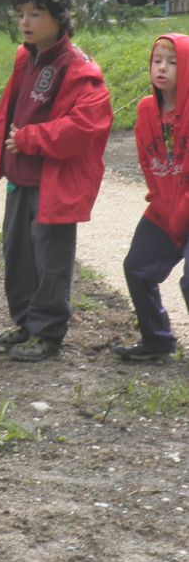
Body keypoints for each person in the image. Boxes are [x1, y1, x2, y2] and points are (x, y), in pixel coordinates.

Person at [0, 0, 113, 362]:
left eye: (36, 13)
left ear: (60, 18)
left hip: (52, 184)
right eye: (21, 13)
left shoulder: (79, 68)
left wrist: (30, 139)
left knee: (50, 261)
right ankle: (26, 323)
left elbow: (86, 125)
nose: (25, 21)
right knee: (17, 254)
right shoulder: (26, 56)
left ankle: (48, 332)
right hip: (21, 180)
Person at [115, 33, 189, 362]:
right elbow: (147, 161)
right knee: (137, 267)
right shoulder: (146, 110)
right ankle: (157, 341)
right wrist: (161, 199)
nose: (163, 68)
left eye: (173, 62)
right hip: (165, 206)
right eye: (157, 61)